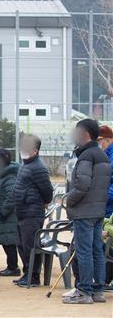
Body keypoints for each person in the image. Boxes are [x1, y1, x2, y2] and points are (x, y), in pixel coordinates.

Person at [63, 119, 110, 304]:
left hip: (84, 211)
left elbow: (82, 185)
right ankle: (98, 290)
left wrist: (69, 200)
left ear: (84, 134)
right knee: (96, 251)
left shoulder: (86, 156)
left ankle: (84, 291)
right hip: (98, 211)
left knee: (84, 251)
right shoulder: (102, 155)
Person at [11, 134, 54, 287]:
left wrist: (45, 202)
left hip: (32, 212)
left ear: (35, 151)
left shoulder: (38, 167)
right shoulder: (25, 165)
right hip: (22, 210)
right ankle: (27, 273)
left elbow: (47, 190)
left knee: (30, 246)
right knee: (21, 244)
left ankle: (33, 276)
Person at [0, 148, 21, 278]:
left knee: (9, 241)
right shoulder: (4, 175)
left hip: (10, 215)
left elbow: (12, 195)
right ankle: (12, 266)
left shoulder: (10, 176)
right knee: (7, 241)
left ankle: (13, 267)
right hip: (6, 215)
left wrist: (3, 211)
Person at [96, 125, 113, 289]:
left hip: (108, 207)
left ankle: (104, 280)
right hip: (104, 208)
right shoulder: (105, 156)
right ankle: (105, 279)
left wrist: (100, 194)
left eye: (99, 141)